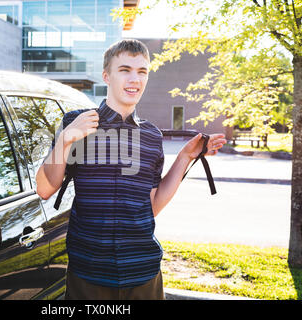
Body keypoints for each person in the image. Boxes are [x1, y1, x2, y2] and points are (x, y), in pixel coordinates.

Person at [36, 39, 226, 300]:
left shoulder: (151, 136)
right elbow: (44, 188)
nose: (134, 79)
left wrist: (184, 157)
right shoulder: (78, 122)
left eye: (142, 71)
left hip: (144, 274)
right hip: (89, 275)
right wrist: (66, 138)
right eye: (125, 70)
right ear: (107, 76)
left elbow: (152, 205)